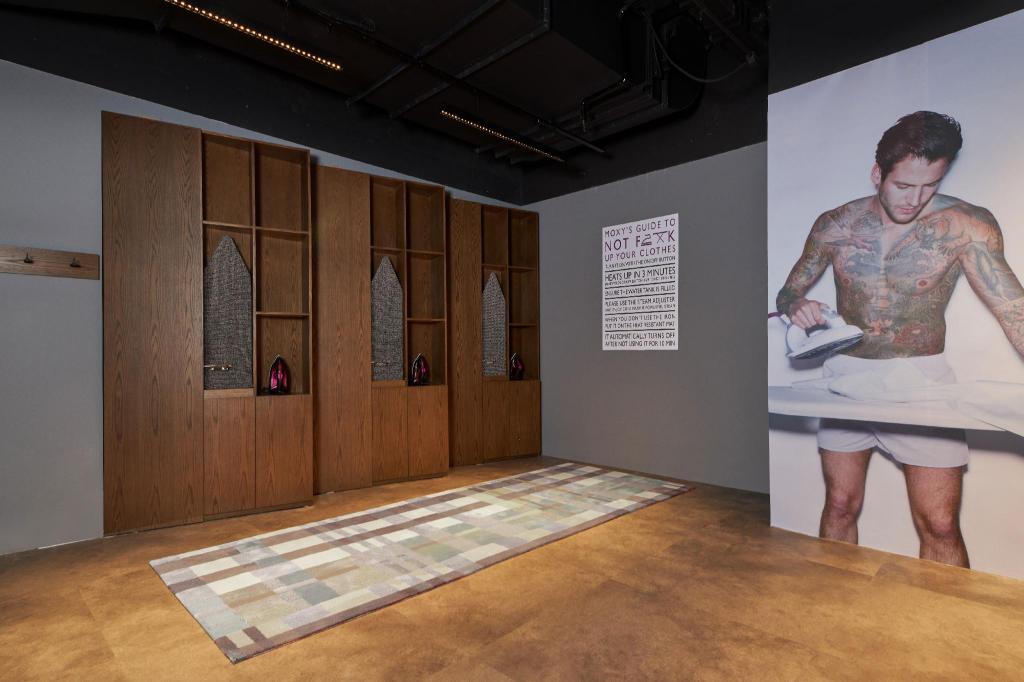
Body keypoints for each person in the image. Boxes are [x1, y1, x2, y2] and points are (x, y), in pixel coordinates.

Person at [776, 111, 1024, 567]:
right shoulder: (836, 225)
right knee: (839, 505)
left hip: (920, 382)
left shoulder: (967, 225)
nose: (915, 199)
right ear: (878, 173)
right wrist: (797, 306)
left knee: (940, 525)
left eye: (930, 185)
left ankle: (943, 613)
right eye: (904, 185)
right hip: (845, 378)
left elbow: (1012, 309)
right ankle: (830, 601)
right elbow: (788, 292)